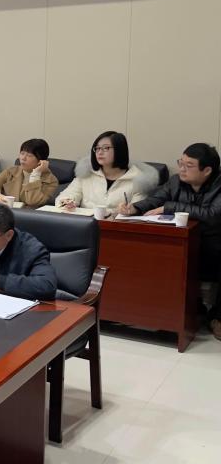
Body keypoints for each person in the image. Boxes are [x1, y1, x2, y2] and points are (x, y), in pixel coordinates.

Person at [119, 143, 221, 338]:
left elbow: (212, 215)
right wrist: (134, 208)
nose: (182, 169)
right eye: (180, 163)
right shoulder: (176, 182)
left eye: (189, 165)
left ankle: (217, 317)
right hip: (184, 243)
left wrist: (171, 207)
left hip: (213, 245)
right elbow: (156, 199)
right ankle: (167, 313)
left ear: (207, 170)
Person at [55, 131, 158, 214]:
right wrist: (67, 202)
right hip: (84, 226)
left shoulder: (139, 180)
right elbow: (67, 195)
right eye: (97, 148)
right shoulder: (86, 174)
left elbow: (136, 210)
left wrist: (124, 211)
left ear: (120, 150)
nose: (100, 152)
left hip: (115, 229)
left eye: (106, 148)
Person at [0, 138, 58, 208]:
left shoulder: (51, 181)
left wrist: (36, 174)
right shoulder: (11, 171)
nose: (23, 158)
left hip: (32, 216)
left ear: (40, 161)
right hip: (7, 212)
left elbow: (33, 201)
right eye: (22, 153)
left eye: (29, 155)